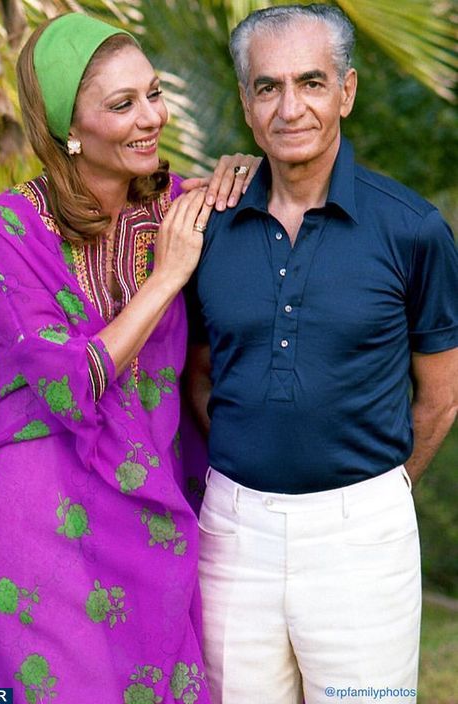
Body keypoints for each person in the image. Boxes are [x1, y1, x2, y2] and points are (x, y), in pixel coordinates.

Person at [0, 12, 256, 703]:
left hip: (151, 512)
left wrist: (250, 172)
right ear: (68, 128)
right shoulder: (10, 226)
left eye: (153, 93)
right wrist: (166, 277)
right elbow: (68, 384)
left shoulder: (180, 207)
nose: (153, 117)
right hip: (42, 525)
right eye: (123, 105)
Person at [186, 4, 458, 703]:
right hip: (233, 536)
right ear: (246, 103)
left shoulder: (413, 230)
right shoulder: (205, 227)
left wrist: (377, 496)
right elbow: (201, 374)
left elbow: (441, 396)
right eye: (268, 87)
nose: (290, 107)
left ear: (347, 91)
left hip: (363, 539)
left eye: (311, 82)